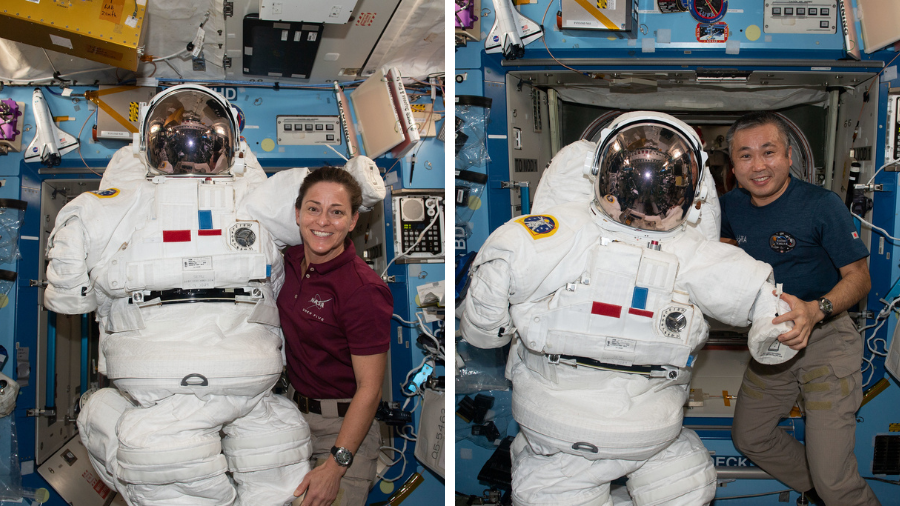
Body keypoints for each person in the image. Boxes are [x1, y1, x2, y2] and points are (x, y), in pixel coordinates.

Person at [44, 84, 385, 506]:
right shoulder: (123, 200)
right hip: (196, 374)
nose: (190, 149)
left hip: (225, 377)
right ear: (153, 148)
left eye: (203, 140)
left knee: (251, 457)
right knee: (190, 457)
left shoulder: (254, 199)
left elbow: (312, 195)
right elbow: (69, 293)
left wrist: (356, 185)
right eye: (178, 139)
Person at [461, 111, 793, 506]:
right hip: (640, 431)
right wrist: (773, 329)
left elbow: (486, 316)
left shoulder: (561, 235)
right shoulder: (579, 231)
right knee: (684, 487)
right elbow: (757, 294)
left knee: (660, 488)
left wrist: (487, 320)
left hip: (571, 425)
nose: (646, 199)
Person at [722, 111, 879, 505]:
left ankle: (831, 489)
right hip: (771, 341)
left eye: (768, 152)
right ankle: (817, 489)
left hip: (826, 339)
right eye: (745, 156)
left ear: (789, 156)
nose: (758, 166)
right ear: (733, 166)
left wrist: (816, 309)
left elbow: (860, 278)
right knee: (750, 436)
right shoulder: (728, 208)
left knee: (837, 479)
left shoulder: (820, 205)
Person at [278, 166, 392, 506]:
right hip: (291, 415)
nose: (323, 222)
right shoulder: (287, 260)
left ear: (353, 221)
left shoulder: (363, 291)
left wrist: (337, 464)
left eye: (336, 212)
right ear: (297, 214)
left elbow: (370, 389)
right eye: (314, 208)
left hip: (343, 427)